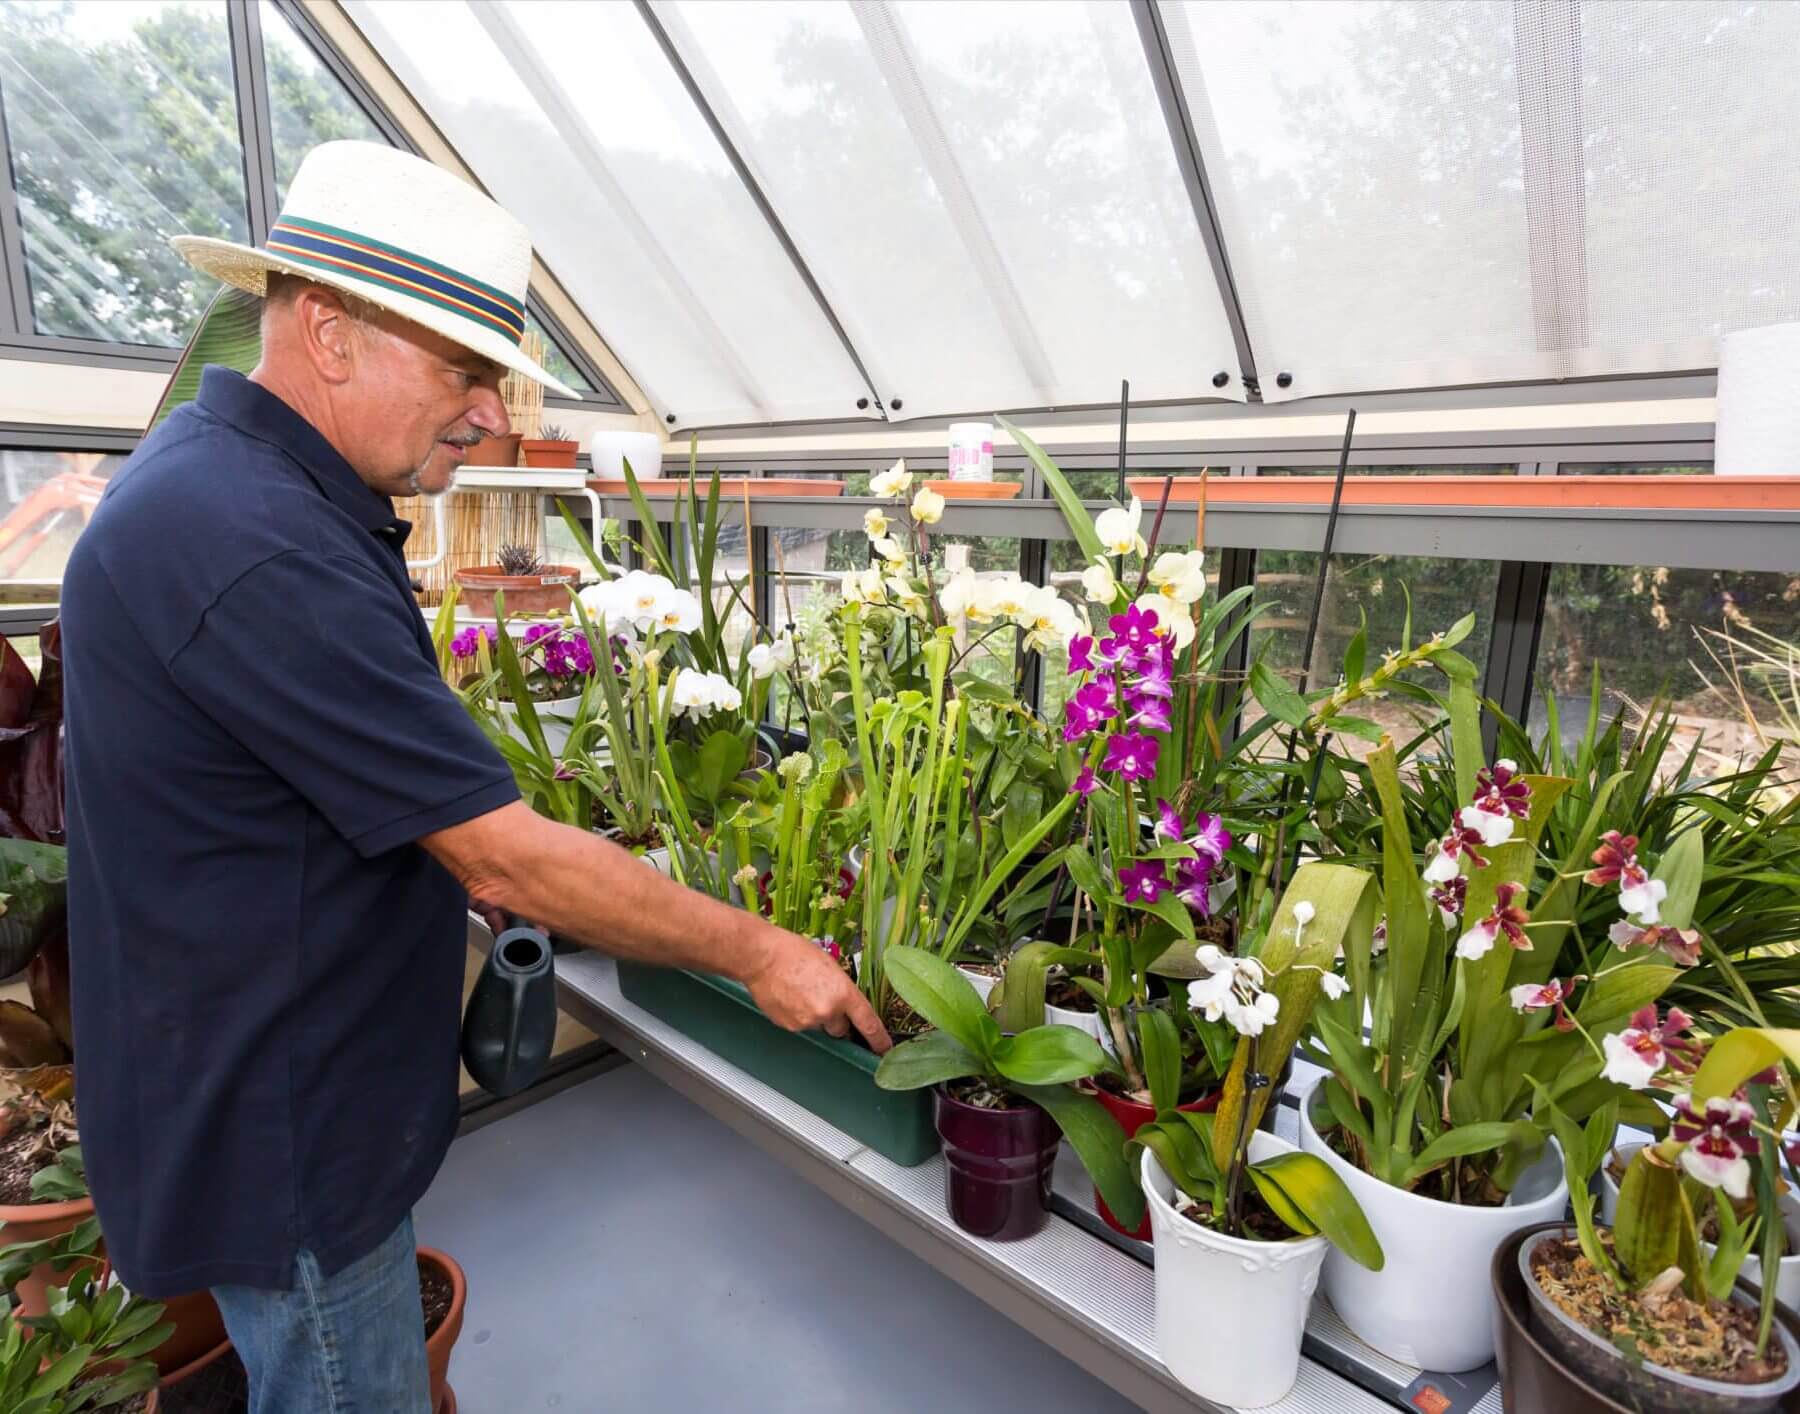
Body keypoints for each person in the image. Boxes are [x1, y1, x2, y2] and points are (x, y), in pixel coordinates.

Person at [60, 141, 887, 1414]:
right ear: (330, 335)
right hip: (286, 1145)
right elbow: (503, 850)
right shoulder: (254, 542)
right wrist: (764, 951)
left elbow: (305, 797)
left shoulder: (242, 490)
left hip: (251, 1092)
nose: (494, 412)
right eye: (464, 369)